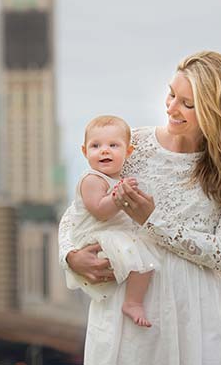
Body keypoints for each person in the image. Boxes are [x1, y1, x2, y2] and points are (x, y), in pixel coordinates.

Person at [59, 51, 221, 364]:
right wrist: (71, 257)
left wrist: (153, 221)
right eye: (171, 94)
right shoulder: (130, 146)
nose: (172, 108)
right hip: (129, 313)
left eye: (187, 103)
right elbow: (78, 212)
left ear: (215, 111)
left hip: (197, 315)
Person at [60, 114, 158, 327]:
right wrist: (119, 197)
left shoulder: (117, 179)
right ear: (85, 152)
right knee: (141, 258)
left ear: (128, 152)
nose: (104, 150)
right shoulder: (92, 179)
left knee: (146, 263)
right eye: (96, 146)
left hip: (114, 234)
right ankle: (131, 303)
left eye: (113, 145)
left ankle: (133, 301)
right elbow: (100, 211)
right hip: (97, 235)